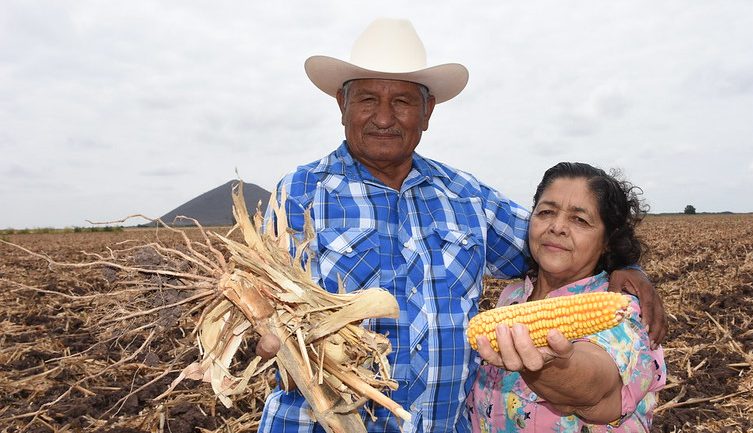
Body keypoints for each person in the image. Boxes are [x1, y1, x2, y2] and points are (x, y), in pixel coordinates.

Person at [256, 18, 666, 433]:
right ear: (342, 105)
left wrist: (627, 267)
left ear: (427, 111)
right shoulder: (300, 192)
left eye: (401, 101)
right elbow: (256, 297)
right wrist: (265, 331)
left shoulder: (468, 196)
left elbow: (560, 244)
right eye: (366, 99)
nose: (383, 117)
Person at [469, 162, 667, 432]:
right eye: (546, 212)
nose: (557, 227)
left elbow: (593, 386)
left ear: (607, 240)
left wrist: (547, 367)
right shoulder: (513, 296)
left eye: (580, 220)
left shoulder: (623, 308)